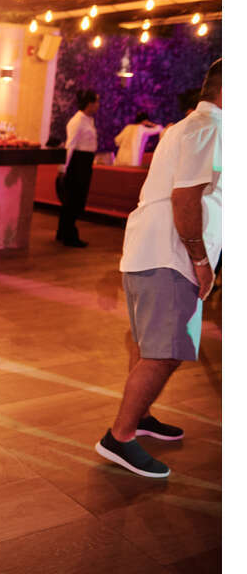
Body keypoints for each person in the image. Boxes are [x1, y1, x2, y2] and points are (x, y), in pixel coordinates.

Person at [95, 60, 221, 478]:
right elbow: (187, 201)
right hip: (172, 254)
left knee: (149, 343)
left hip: (150, 250)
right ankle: (121, 436)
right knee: (165, 352)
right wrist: (201, 261)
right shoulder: (212, 129)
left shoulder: (188, 125)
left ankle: (140, 417)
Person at [56, 89, 99, 248]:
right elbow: (70, 145)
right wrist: (63, 168)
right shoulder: (77, 120)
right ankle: (69, 235)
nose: (98, 105)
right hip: (78, 162)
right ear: (89, 103)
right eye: (96, 101)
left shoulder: (89, 120)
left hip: (85, 161)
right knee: (74, 199)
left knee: (75, 198)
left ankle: (63, 232)